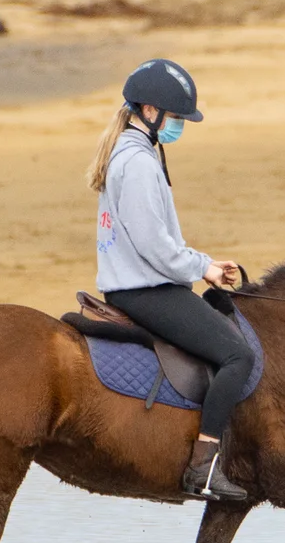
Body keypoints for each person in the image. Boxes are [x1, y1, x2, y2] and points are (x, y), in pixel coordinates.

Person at [87, 58, 254, 502]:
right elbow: (154, 246)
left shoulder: (133, 151)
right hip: (145, 289)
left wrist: (203, 266)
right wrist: (204, 267)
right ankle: (203, 467)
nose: (180, 125)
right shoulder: (138, 163)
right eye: (176, 116)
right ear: (149, 111)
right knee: (237, 357)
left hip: (143, 282)